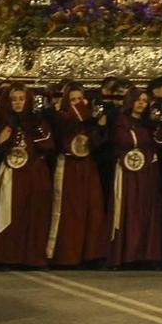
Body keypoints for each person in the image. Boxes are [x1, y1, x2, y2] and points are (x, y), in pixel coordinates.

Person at [0, 85, 55, 267]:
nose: (18, 103)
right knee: (10, 212)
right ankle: (7, 256)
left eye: (21, 98)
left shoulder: (37, 122)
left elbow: (48, 144)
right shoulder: (3, 121)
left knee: (34, 215)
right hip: (11, 174)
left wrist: (32, 125)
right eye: (14, 99)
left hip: (34, 174)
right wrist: (9, 128)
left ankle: (32, 257)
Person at [48, 85, 110, 267]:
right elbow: (64, 129)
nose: (77, 103)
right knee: (70, 212)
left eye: (80, 99)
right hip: (68, 168)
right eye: (73, 99)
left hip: (87, 168)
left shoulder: (90, 121)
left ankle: (90, 255)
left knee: (92, 211)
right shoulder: (61, 119)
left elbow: (97, 144)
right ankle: (67, 256)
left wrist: (99, 127)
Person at [108, 88, 162, 267]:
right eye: (138, 100)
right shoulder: (121, 121)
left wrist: (161, 125)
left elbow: (161, 142)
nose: (142, 103)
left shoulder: (149, 122)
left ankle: (146, 255)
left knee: (147, 210)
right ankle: (127, 254)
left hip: (148, 171)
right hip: (128, 171)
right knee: (129, 209)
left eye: (145, 100)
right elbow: (123, 140)